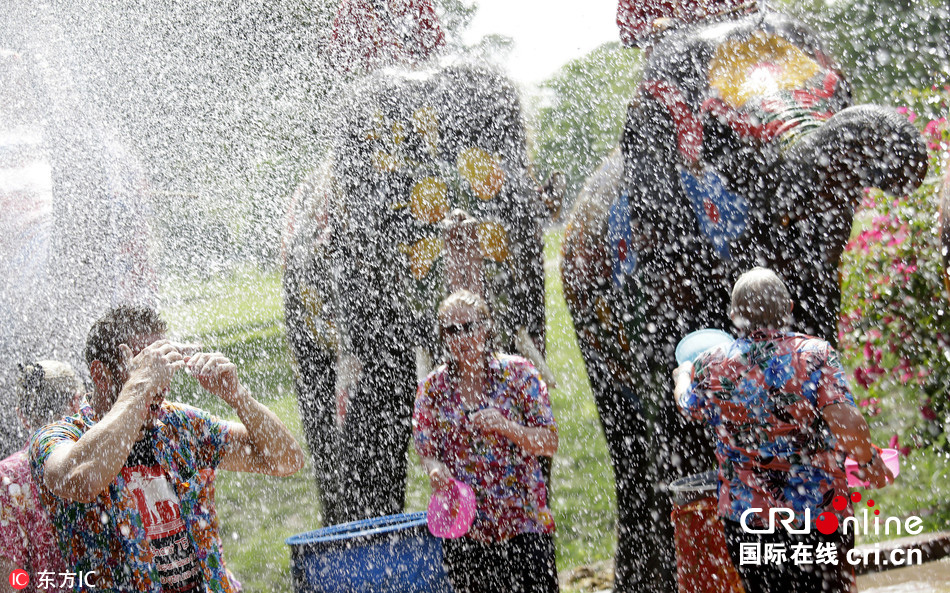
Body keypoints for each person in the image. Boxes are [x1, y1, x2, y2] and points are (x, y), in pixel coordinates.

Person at [29, 306, 305, 593]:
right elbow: (81, 479)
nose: (160, 384)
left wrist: (238, 396)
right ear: (100, 375)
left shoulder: (180, 426)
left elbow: (285, 459)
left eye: (162, 366)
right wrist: (139, 386)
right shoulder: (58, 438)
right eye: (147, 365)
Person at [672, 267, 892, 593]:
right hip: (821, 511)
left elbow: (689, 406)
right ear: (788, 308)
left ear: (733, 315)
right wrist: (869, 461)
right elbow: (845, 421)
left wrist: (684, 376)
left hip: (750, 519)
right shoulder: (814, 355)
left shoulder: (712, 364)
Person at [413, 289, 559, 593]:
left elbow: (549, 442)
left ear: (486, 326)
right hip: (466, 532)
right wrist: (435, 470)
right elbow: (427, 451)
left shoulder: (519, 374)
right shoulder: (432, 389)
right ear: (443, 336)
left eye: (470, 326)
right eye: (453, 330)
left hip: (524, 526)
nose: (463, 337)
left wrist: (508, 427)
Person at [0, 361, 82, 592]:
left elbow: (7, 581)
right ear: (76, 402)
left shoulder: (8, 479)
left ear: (23, 417)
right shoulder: (98, 465)